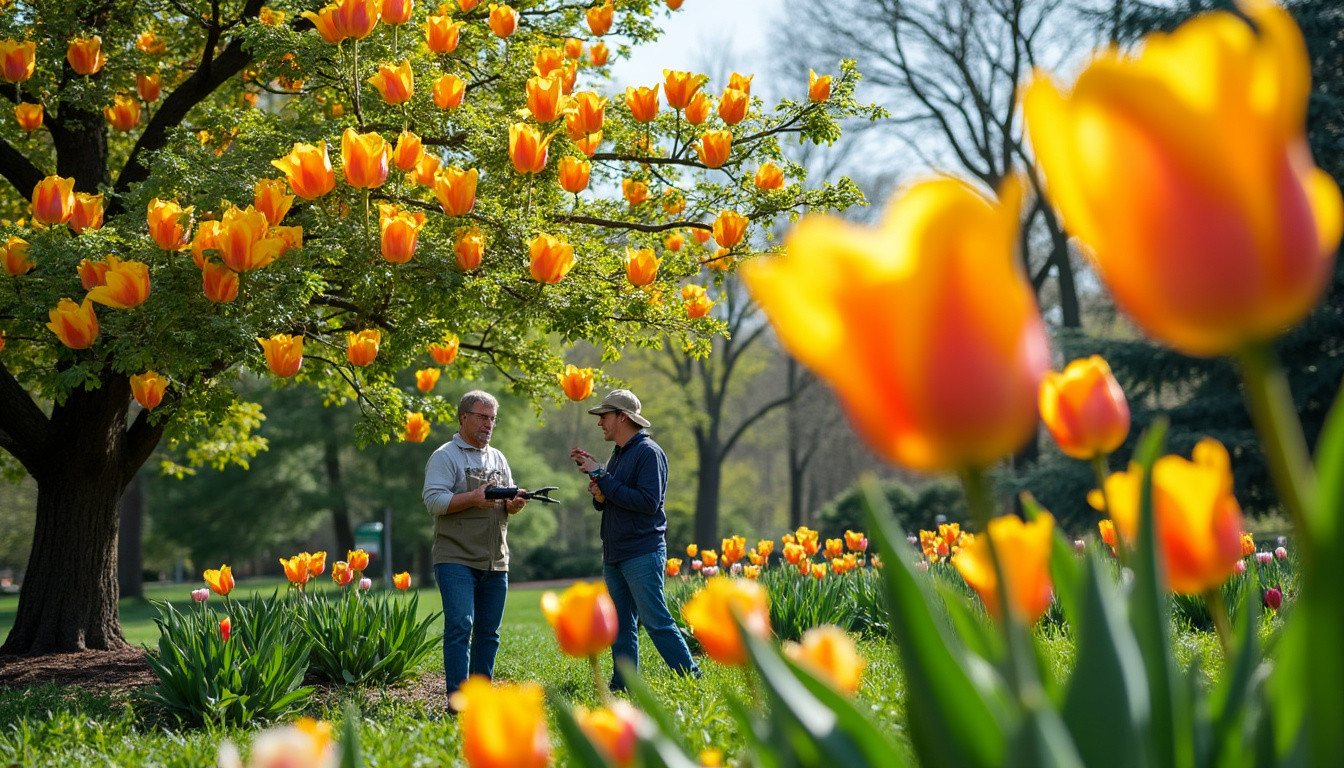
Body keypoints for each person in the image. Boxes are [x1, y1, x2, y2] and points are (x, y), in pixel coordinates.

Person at [570, 389, 699, 689]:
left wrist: (601, 476)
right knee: (621, 625)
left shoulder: (648, 453)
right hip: (615, 552)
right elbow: (613, 498)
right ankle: (623, 683)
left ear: (622, 418)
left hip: (642, 551)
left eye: (604, 416)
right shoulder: (618, 454)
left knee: (655, 620)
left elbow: (648, 502)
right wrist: (600, 494)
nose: (600, 422)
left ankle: (691, 678)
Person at [423, 390, 529, 697]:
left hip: (496, 559)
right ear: (464, 417)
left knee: (489, 633)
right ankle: (457, 700)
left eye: (493, 419)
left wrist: (514, 504)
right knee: (460, 626)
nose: (489, 424)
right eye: (482, 417)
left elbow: (506, 502)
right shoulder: (445, 456)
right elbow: (433, 500)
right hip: (455, 557)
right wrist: (472, 498)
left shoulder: (498, 458)